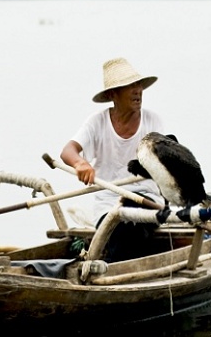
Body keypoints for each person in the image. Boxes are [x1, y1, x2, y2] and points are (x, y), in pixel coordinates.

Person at [61, 57, 165, 222]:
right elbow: (68, 151)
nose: (137, 90)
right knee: (118, 224)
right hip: (108, 204)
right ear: (112, 94)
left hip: (147, 200)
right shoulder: (97, 122)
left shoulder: (152, 121)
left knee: (133, 222)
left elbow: (165, 158)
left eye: (138, 85)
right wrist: (80, 164)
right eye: (130, 86)